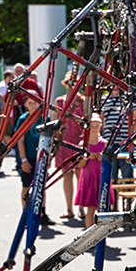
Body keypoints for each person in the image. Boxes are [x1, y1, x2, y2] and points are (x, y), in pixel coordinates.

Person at [13, 94, 53, 225]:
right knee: (26, 186)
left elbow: (50, 138)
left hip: (41, 157)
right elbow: (20, 140)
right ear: (25, 104)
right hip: (28, 157)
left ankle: (42, 213)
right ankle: (26, 214)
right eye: (30, 103)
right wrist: (23, 160)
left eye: (35, 103)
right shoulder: (23, 119)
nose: (33, 105)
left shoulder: (45, 119)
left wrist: (49, 157)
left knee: (41, 186)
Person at [53, 71, 85, 220]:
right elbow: (54, 123)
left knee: (80, 175)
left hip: (78, 141)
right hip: (64, 142)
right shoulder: (59, 101)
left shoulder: (84, 101)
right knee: (66, 175)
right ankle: (69, 208)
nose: (72, 86)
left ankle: (81, 208)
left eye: (74, 83)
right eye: (70, 83)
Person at [99, 87, 136, 184]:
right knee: (109, 176)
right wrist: (100, 138)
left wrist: (130, 138)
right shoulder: (104, 99)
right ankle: (111, 198)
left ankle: (128, 197)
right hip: (108, 143)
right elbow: (101, 121)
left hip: (124, 143)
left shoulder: (129, 98)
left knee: (127, 175)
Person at [74, 114, 106, 227]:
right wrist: (87, 157)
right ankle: (89, 232)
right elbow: (80, 165)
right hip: (89, 178)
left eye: (97, 126)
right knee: (90, 209)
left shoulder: (104, 143)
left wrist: (102, 158)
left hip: (101, 177)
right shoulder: (83, 144)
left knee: (102, 208)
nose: (94, 129)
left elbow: (109, 163)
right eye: (92, 126)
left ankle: (100, 235)